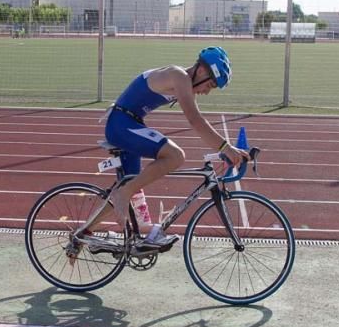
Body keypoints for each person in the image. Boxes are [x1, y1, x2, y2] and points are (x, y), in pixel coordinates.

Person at [93, 46, 249, 252]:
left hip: (129, 123)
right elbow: (195, 120)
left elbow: (198, 122)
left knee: (130, 184)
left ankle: (83, 234)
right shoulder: (179, 76)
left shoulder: (183, 81)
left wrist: (225, 147)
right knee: (175, 156)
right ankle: (124, 193)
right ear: (201, 71)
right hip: (121, 124)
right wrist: (225, 147)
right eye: (210, 85)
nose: (206, 91)